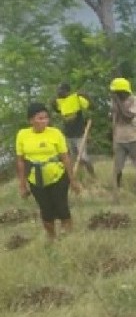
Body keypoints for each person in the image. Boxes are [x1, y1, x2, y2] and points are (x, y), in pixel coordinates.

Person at [15, 103, 80, 239]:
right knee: (46, 210)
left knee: (61, 206)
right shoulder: (22, 135)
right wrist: (22, 185)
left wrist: (73, 180)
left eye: (46, 118)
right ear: (31, 120)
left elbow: (65, 157)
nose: (44, 121)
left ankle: (67, 236)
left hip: (57, 176)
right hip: (35, 179)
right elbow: (20, 161)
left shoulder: (55, 133)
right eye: (40, 118)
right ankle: (51, 237)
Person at [51, 82, 95, 177]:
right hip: (68, 135)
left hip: (79, 134)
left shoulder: (76, 98)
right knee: (74, 158)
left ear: (67, 91)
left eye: (60, 90)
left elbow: (91, 107)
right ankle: (79, 177)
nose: (58, 92)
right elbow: (57, 110)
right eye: (57, 90)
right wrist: (53, 104)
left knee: (84, 157)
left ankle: (93, 177)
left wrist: (86, 96)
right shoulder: (59, 102)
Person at [109, 77, 136, 194]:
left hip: (133, 138)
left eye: (117, 93)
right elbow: (113, 118)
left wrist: (118, 103)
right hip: (119, 139)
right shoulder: (115, 102)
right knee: (118, 166)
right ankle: (117, 189)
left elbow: (128, 117)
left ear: (124, 92)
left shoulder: (135, 100)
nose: (115, 95)